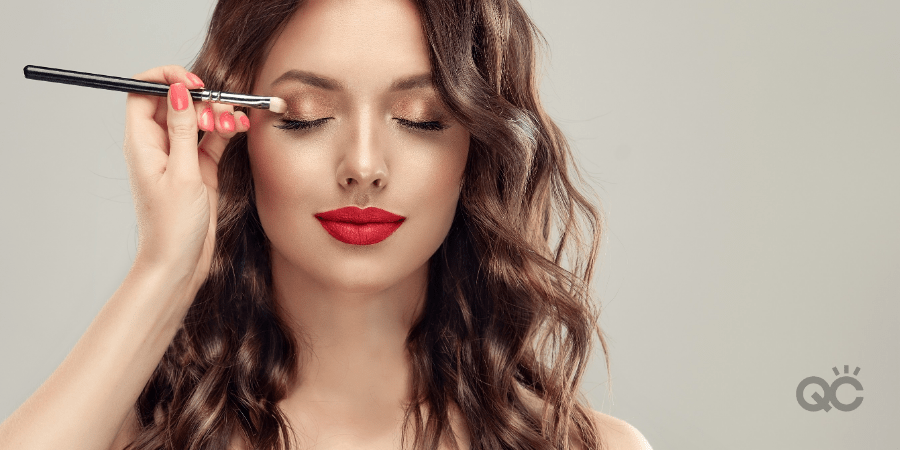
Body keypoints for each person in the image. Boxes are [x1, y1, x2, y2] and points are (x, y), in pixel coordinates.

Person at [0, 0, 651, 449]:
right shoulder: (132, 440)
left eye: (421, 117)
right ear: (236, 134)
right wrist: (165, 268)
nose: (363, 167)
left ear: (475, 151)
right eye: (306, 116)